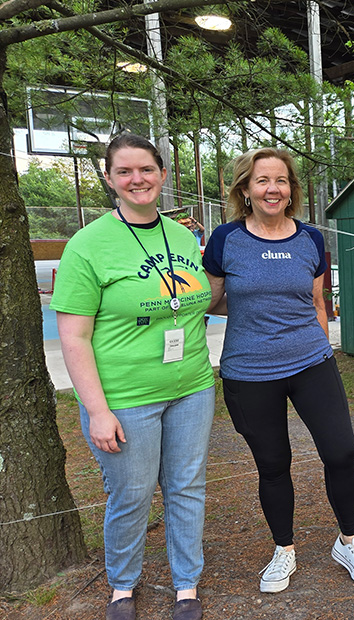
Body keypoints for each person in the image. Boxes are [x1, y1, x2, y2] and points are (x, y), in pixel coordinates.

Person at [202, 148, 354, 593]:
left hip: (311, 363)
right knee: (273, 464)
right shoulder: (225, 240)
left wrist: (322, 346)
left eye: (280, 181)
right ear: (245, 189)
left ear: (291, 190)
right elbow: (209, 301)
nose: (272, 189)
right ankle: (284, 549)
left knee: (341, 452)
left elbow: (318, 302)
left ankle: (349, 540)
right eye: (262, 181)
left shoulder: (309, 240)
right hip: (249, 372)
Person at [52, 133, 215, 620]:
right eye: (124, 171)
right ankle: (123, 585)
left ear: (162, 175)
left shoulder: (183, 235)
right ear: (109, 179)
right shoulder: (87, 246)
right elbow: (74, 338)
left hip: (191, 387)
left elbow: (195, 301)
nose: (136, 179)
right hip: (124, 398)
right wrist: (98, 411)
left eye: (145, 169)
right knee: (132, 495)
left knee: (187, 487)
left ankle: (187, 584)